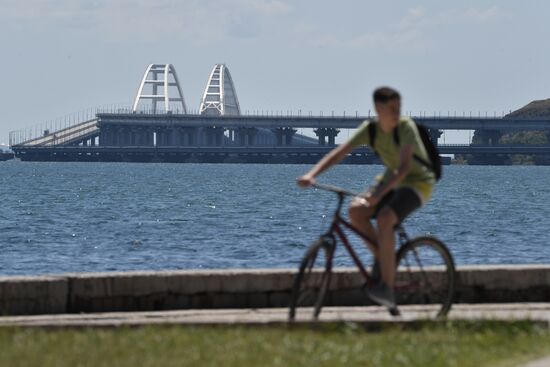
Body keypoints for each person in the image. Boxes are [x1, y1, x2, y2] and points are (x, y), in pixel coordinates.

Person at [296, 87, 436, 308]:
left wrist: (378, 195)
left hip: (417, 181)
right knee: (355, 211)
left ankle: (386, 288)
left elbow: (404, 168)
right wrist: (312, 174)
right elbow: (339, 153)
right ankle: (384, 258)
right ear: (378, 109)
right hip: (390, 178)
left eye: (399, 107)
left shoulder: (406, 127)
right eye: (392, 108)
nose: (398, 112)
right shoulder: (370, 130)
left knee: (385, 218)